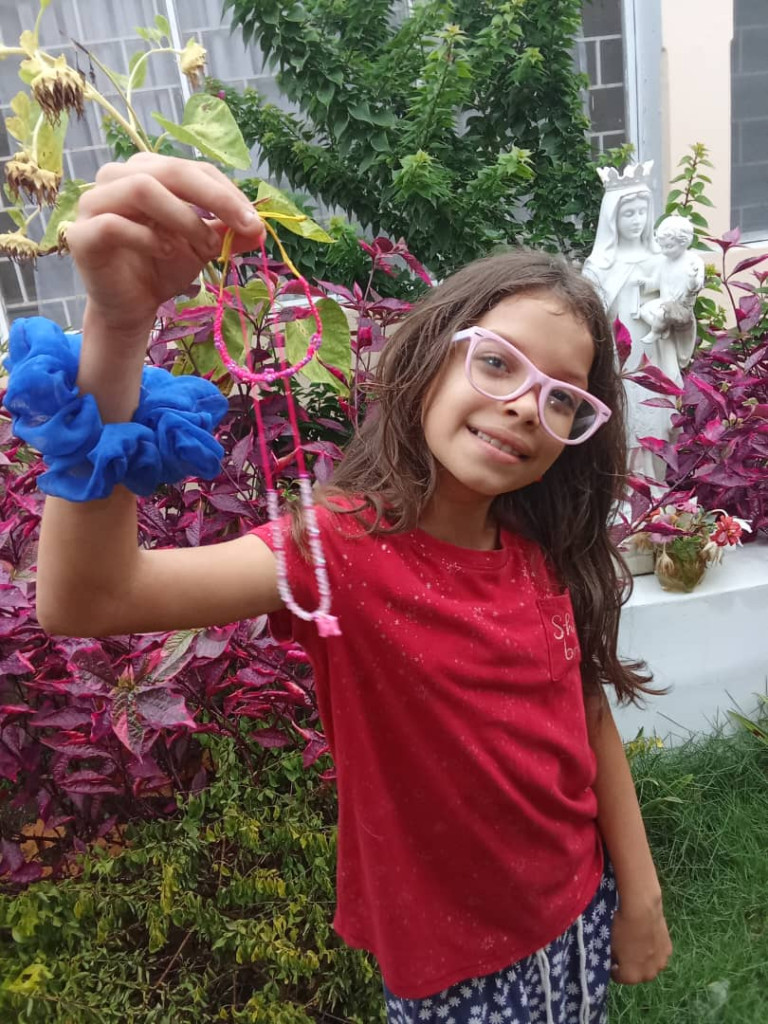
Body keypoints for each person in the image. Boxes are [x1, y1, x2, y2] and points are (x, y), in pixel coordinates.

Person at [21, 154, 672, 1023]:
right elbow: (90, 597)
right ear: (429, 360)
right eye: (499, 364)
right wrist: (118, 325)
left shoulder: (538, 549)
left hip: (579, 911)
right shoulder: (338, 551)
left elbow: (584, 714)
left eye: (563, 401)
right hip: (455, 971)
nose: (527, 406)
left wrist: (641, 895)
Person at [637, 215, 704, 371]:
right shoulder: (664, 261)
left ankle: (656, 331)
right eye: (663, 247)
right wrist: (644, 283)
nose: (665, 251)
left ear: (684, 242)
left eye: (669, 247)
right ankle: (663, 328)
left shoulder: (693, 261)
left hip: (681, 308)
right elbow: (655, 282)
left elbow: (696, 286)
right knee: (643, 310)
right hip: (664, 302)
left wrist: (693, 278)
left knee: (661, 314)